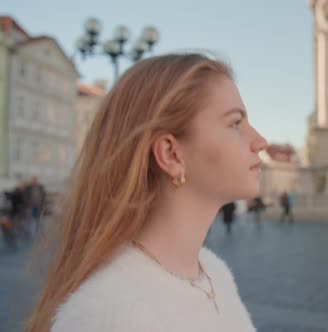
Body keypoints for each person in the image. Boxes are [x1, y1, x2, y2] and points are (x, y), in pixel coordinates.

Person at [25, 53, 268, 332]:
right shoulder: (113, 315)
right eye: (236, 123)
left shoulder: (215, 273)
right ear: (171, 154)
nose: (260, 141)